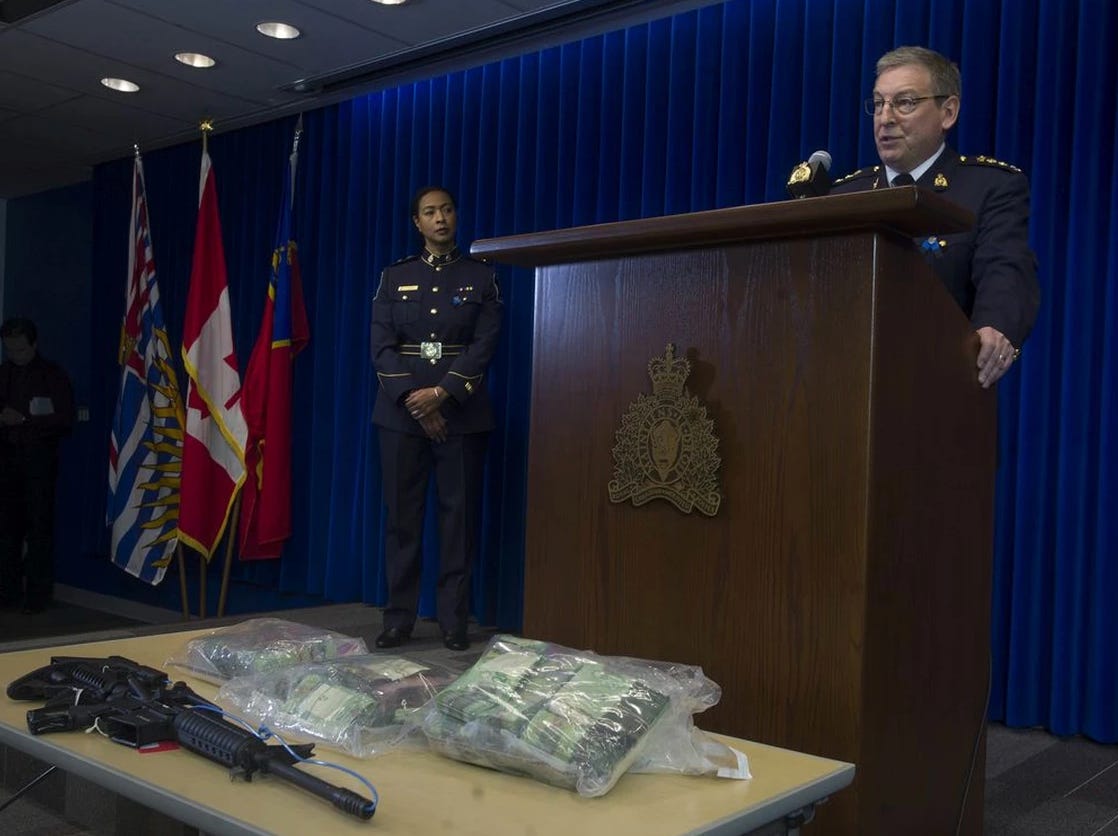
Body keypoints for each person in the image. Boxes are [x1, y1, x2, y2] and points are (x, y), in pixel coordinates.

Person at [830, 46, 1040, 388]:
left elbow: (1005, 267)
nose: (885, 118)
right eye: (879, 104)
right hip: (847, 385)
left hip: (941, 386)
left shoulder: (988, 187)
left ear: (948, 112)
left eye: (905, 103)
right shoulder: (844, 197)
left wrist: (995, 326)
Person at [370, 186, 503, 651]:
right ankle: (398, 619)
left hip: (461, 414)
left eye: (447, 209)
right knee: (402, 521)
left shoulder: (481, 277)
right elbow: (381, 346)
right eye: (430, 212)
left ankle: (453, 621)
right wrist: (415, 400)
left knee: (457, 522)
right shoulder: (394, 276)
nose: (440, 218)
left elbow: (484, 344)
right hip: (400, 415)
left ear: (456, 216)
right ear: (417, 222)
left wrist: (442, 395)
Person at [0, 317, 75, 613]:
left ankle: (37, 596)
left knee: (39, 530)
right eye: (9, 349)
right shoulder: (3, 374)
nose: (15, 355)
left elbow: (65, 418)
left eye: (20, 349)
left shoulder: (52, 376)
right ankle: (7, 593)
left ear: (34, 345)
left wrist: (26, 419)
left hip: (38, 462)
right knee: (7, 532)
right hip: (6, 461)